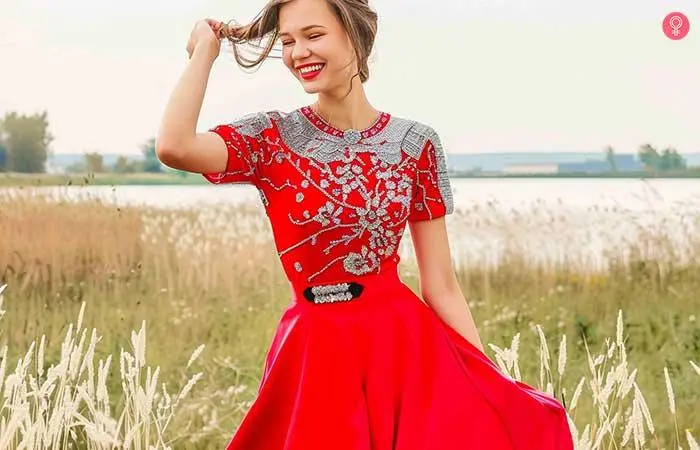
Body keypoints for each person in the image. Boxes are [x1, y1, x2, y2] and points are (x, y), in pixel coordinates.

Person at [155, 0, 575, 448]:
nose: (298, 53)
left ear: (355, 36)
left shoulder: (415, 144)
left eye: (313, 36)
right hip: (314, 351)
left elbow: (442, 286)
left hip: (403, 349)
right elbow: (175, 146)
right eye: (289, 41)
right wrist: (205, 50)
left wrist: (488, 383)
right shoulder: (272, 139)